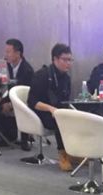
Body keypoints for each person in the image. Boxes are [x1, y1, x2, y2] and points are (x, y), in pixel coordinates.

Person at [27, 43, 74, 171]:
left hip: (58, 110)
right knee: (60, 120)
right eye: (65, 60)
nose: (68, 63)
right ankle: (63, 154)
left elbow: (64, 101)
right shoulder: (42, 75)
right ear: (55, 59)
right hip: (41, 112)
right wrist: (51, 109)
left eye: (70, 60)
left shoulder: (66, 78)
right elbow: (32, 101)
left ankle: (74, 152)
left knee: (76, 119)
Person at [0, 38, 34, 150]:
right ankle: (2, 137)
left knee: (16, 108)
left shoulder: (27, 70)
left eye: (8, 52)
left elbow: (26, 93)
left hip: (24, 100)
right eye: (6, 51)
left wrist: (11, 104)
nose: (6, 55)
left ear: (18, 53)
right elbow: (3, 82)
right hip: (11, 96)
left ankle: (24, 139)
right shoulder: (7, 65)